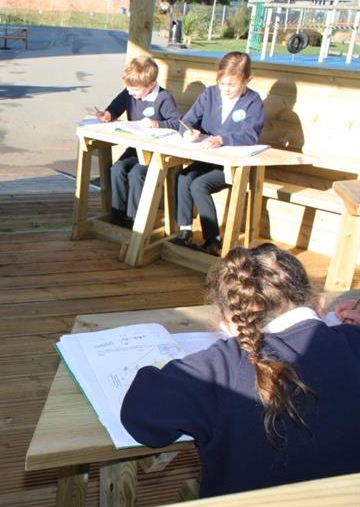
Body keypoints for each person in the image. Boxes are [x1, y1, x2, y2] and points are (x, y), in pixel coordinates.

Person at [121, 243, 360, 498]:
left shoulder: (218, 370)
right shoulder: (352, 343)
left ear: (230, 324)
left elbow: (140, 416)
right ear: (319, 304)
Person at [172, 52, 265, 255]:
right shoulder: (210, 94)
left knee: (199, 185)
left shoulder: (253, 101)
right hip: (208, 158)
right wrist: (188, 131)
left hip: (233, 164)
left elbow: (250, 135)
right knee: (183, 177)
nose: (226, 89)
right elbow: (186, 121)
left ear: (247, 80)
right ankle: (184, 231)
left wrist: (224, 139)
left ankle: (212, 240)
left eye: (232, 85)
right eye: (222, 83)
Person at [96, 56, 181, 228]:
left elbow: (177, 123)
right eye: (128, 88)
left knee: (136, 174)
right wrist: (108, 115)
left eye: (135, 90)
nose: (130, 93)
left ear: (150, 84)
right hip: (137, 148)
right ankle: (118, 215)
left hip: (158, 152)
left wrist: (157, 124)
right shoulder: (129, 93)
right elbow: (115, 107)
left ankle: (134, 218)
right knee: (117, 169)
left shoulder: (163, 98)